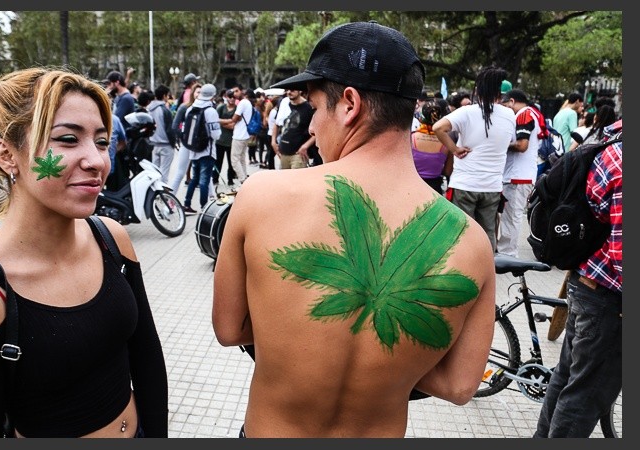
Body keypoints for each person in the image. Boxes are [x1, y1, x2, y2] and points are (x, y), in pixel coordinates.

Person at [212, 21, 495, 438]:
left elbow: (229, 329)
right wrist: (395, 359)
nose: (310, 126)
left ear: (348, 104)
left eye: (314, 106)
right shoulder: (471, 241)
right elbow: (459, 385)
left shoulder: (261, 196)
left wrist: (296, 331)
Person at [0, 67, 168, 438]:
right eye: (68, 139)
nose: (96, 161)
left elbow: (147, 360)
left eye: (103, 142)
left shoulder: (111, 239)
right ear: (7, 155)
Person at [534, 119, 622, 438]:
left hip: (587, 282)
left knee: (568, 381)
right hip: (611, 299)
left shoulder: (612, 137)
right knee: (584, 395)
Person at [433, 66, 517, 252]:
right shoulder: (510, 115)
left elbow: (438, 127)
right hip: (492, 186)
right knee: (487, 233)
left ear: (478, 90)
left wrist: (455, 149)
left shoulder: (467, 112)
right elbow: (509, 140)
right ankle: (487, 275)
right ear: (499, 92)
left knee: (461, 233)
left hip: (465, 184)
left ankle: (462, 273)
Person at [496, 89, 542, 257]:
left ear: (512, 101)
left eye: (506, 104)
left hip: (518, 176)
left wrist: (502, 143)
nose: (505, 108)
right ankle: (506, 250)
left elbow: (522, 145)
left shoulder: (523, 115)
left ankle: (507, 252)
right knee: (511, 215)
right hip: (521, 174)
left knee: (511, 216)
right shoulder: (532, 113)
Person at [182, 83, 222, 215]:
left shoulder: (191, 109)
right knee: (204, 180)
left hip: (193, 150)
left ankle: (187, 203)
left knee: (194, 178)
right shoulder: (211, 111)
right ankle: (204, 207)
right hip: (207, 151)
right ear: (212, 95)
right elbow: (215, 134)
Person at [411, 98, 450, 195]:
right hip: (435, 190)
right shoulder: (446, 142)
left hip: (412, 187)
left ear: (421, 118)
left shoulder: (411, 138)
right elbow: (448, 171)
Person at [271, 88, 315, 170]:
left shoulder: (308, 107)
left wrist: (305, 146)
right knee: (284, 181)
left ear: (300, 90)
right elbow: (277, 123)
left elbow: (316, 131)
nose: (289, 92)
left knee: (296, 181)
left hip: (298, 153)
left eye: (292, 90)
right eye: (287, 90)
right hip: (283, 152)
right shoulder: (284, 103)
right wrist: (273, 142)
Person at [219, 84, 253, 190]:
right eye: (233, 91)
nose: (234, 93)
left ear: (242, 91)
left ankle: (242, 179)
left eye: (236, 91)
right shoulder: (247, 103)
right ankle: (245, 180)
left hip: (239, 135)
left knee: (234, 160)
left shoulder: (243, 103)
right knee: (241, 158)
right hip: (245, 135)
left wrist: (219, 120)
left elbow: (234, 119)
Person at [147, 84, 177, 184]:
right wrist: (174, 143)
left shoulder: (149, 109)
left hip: (153, 144)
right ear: (164, 96)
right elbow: (169, 129)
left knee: (154, 172)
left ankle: (154, 194)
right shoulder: (165, 110)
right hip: (166, 145)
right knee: (164, 172)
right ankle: (163, 195)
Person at [214, 89, 238, 185]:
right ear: (226, 97)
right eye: (230, 97)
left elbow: (235, 124)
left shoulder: (237, 109)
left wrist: (223, 123)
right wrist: (229, 121)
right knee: (218, 161)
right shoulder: (221, 107)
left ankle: (230, 179)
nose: (232, 99)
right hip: (220, 139)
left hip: (231, 139)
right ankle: (215, 178)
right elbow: (215, 119)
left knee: (231, 161)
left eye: (233, 97)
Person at [105, 113, 128, 191]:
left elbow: (123, 142)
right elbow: (123, 142)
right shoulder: (114, 119)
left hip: (110, 167)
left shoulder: (114, 119)